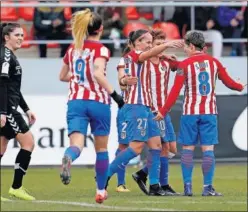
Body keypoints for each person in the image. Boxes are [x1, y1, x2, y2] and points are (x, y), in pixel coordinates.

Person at [154, 31, 247, 196]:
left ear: (191, 46)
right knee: (208, 150)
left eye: (185, 47)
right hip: (209, 113)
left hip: (190, 112)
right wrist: (240, 86)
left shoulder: (185, 65)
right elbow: (230, 83)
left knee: (188, 149)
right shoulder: (214, 63)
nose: (184, 50)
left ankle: (187, 188)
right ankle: (207, 188)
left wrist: (163, 111)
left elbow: (175, 91)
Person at [105, 29, 183, 196]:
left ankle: (154, 186)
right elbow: (122, 79)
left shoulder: (151, 57)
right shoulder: (133, 56)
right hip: (135, 106)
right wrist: (124, 81)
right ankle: (106, 175)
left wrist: (167, 57)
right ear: (135, 44)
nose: (149, 44)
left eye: (150, 41)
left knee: (157, 146)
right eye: (146, 41)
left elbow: (157, 58)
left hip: (149, 108)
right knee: (135, 148)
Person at [58, 8, 124, 204]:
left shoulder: (72, 49)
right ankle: (101, 191)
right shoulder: (101, 49)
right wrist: (116, 96)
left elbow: (62, 76)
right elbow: (97, 74)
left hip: (76, 101)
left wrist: (78, 78)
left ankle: (69, 157)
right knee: (101, 149)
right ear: (101, 28)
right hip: (99, 102)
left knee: (76, 144)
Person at [132, 29, 180, 196]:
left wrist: (172, 60)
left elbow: (178, 67)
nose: (161, 48)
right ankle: (162, 184)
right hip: (152, 110)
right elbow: (140, 54)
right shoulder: (144, 62)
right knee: (161, 148)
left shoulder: (166, 63)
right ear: (151, 46)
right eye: (158, 45)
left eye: (162, 45)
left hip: (164, 110)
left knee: (172, 149)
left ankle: (142, 173)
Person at [0, 23, 36, 201]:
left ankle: (16, 188)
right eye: (17, 35)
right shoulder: (6, 56)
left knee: (1, 147)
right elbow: (3, 84)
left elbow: (14, 88)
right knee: (28, 142)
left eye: (22, 35)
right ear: (7, 37)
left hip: (9, 108)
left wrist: (27, 108)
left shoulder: (10, 56)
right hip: (7, 109)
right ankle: (16, 187)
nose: (21, 38)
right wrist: (2, 112)